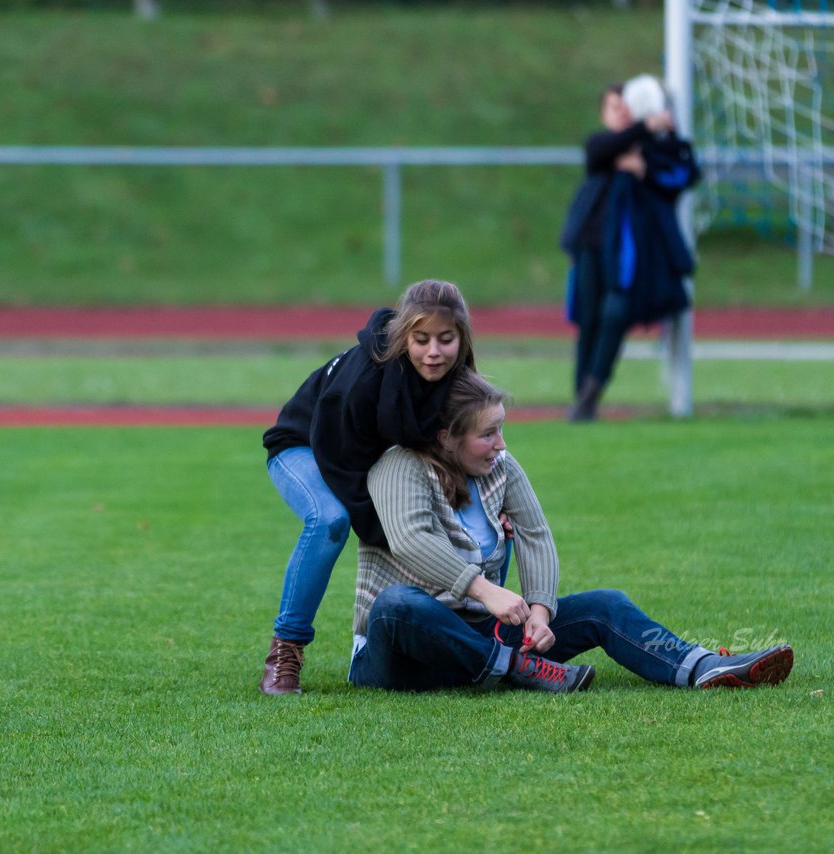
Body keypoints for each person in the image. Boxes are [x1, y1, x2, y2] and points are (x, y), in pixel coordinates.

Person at [348, 369, 793, 693]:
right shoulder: (399, 466)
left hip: (482, 636)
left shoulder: (498, 468)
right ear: (446, 437)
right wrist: (485, 591)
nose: (501, 443)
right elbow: (409, 539)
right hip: (401, 657)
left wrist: (540, 611)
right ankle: (518, 669)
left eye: (501, 429)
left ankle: (701, 667)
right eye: (488, 434)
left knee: (605, 604)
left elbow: (535, 533)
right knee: (397, 605)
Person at [259, 279, 477, 695]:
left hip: (363, 459)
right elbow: (340, 463)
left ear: (462, 339)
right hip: (304, 446)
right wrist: (394, 531)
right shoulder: (362, 381)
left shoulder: (457, 376)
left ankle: (471, 635)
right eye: (422, 339)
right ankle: (285, 650)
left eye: (446, 340)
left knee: (455, 517)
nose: (434, 352)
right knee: (330, 520)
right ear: (402, 337)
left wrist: (487, 505)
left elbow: (470, 444)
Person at [559, 75, 702, 422]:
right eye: (614, 107)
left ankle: (591, 391)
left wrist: (647, 163)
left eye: (628, 106)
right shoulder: (605, 147)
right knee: (589, 320)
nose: (622, 112)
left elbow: (685, 172)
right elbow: (598, 151)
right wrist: (642, 130)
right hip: (592, 248)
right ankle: (583, 400)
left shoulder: (653, 149)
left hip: (633, 257)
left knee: (614, 313)